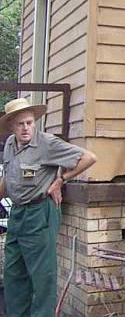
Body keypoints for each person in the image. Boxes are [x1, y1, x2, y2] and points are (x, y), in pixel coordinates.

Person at [0, 97, 97, 317]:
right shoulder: (9, 145)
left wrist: (61, 180)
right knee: (14, 272)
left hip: (40, 211)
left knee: (42, 276)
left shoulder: (47, 143)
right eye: (20, 124)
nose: (26, 128)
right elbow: (8, 179)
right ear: (11, 126)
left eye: (29, 123)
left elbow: (89, 158)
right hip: (17, 213)